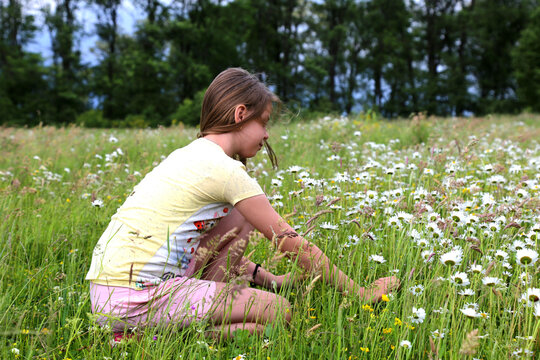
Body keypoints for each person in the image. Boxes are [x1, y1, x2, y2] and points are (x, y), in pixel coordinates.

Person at [86, 67, 399, 340]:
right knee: (278, 312)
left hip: (106, 294)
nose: (265, 135)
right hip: (139, 298)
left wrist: (271, 279)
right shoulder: (225, 171)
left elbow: (208, 244)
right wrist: (359, 293)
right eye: (263, 123)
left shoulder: (187, 156)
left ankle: (163, 319)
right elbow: (291, 243)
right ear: (239, 114)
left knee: (238, 216)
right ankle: (155, 337)